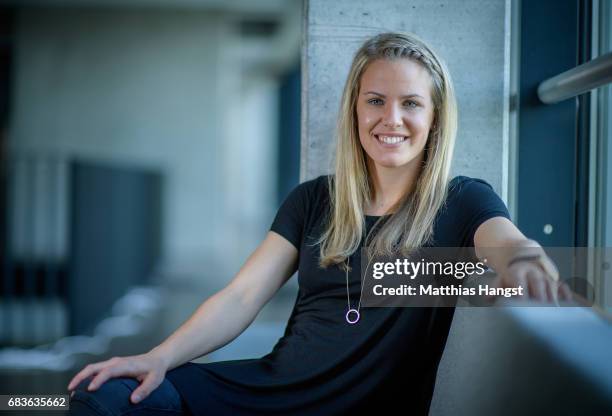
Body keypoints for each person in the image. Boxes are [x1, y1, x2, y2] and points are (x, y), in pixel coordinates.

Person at [66, 32, 571, 416]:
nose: (390, 118)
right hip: (269, 391)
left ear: (436, 118)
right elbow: (241, 297)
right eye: (375, 100)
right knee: (102, 396)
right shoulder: (314, 199)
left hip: (367, 406)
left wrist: (526, 262)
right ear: (355, 108)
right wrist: (158, 357)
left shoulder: (462, 200)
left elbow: (506, 241)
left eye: (411, 103)